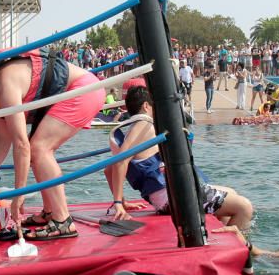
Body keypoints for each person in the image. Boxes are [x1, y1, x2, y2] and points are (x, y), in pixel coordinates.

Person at [0, 47, 105, 240]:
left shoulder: (4, 86)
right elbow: (3, 137)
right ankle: (50, 212)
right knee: (36, 148)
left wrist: (19, 194)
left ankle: (63, 221)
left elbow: (21, 145)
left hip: (84, 89)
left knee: (39, 148)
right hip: (74, 91)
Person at [103, 86, 253, 234]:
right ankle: (243, 247)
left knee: (231, 193)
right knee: (244, 207)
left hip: (165, 199)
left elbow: (109, 170)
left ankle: (222, 237)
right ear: (146, 105)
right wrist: (118, 203)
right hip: (174, 199)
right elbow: (120, 161)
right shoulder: (144, 124)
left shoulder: (128, 130)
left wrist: (122, 201)